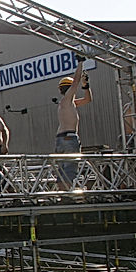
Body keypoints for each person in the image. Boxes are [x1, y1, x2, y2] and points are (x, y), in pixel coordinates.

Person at [54, 57, 92, 189]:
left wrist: (86, 85)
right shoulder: (67, 100)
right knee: (70, 168)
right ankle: (67, 193)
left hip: (62, 139)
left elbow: (87, 99)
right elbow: (75, 82)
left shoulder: (68, 103)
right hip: (69, 138)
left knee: (63, 169)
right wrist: (80, 63)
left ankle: (63, 193)